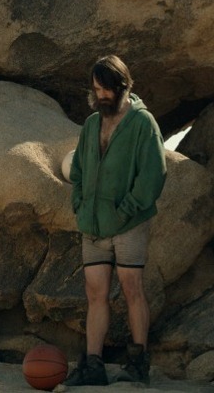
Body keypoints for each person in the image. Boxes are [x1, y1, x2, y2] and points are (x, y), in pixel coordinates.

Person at [64, 55, 167, 386]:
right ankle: (93, 364)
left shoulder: (142, 124)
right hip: (92, 226)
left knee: (131, 287)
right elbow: (78, 170)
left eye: (106, 90)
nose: (101, 97)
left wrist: (126, 209)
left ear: (123, 86)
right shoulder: (92, 124)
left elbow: (154, 174)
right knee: (95, 293)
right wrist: (79, 204)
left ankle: (139, 363)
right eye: (96, 90)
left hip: (129, 224)